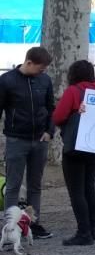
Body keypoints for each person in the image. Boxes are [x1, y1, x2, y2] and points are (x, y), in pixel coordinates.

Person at [0, 46, 55, 239]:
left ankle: (33, 223)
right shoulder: (6, 81)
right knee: (13, 185)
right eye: (41, 68)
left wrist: (50, 131)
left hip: (40, 139)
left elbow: (51, 108)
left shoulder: (45, 80)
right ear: (29, 62)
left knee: (35, 185)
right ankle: (10, 226)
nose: (43, 71)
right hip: (16, 139)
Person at [51, 59, 95, 246]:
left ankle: (83, 232)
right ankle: (93, 230)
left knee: (76, 191)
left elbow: (58, 116)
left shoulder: (73, 91)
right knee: (89, 188)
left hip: (74, 146)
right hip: (93, 145)